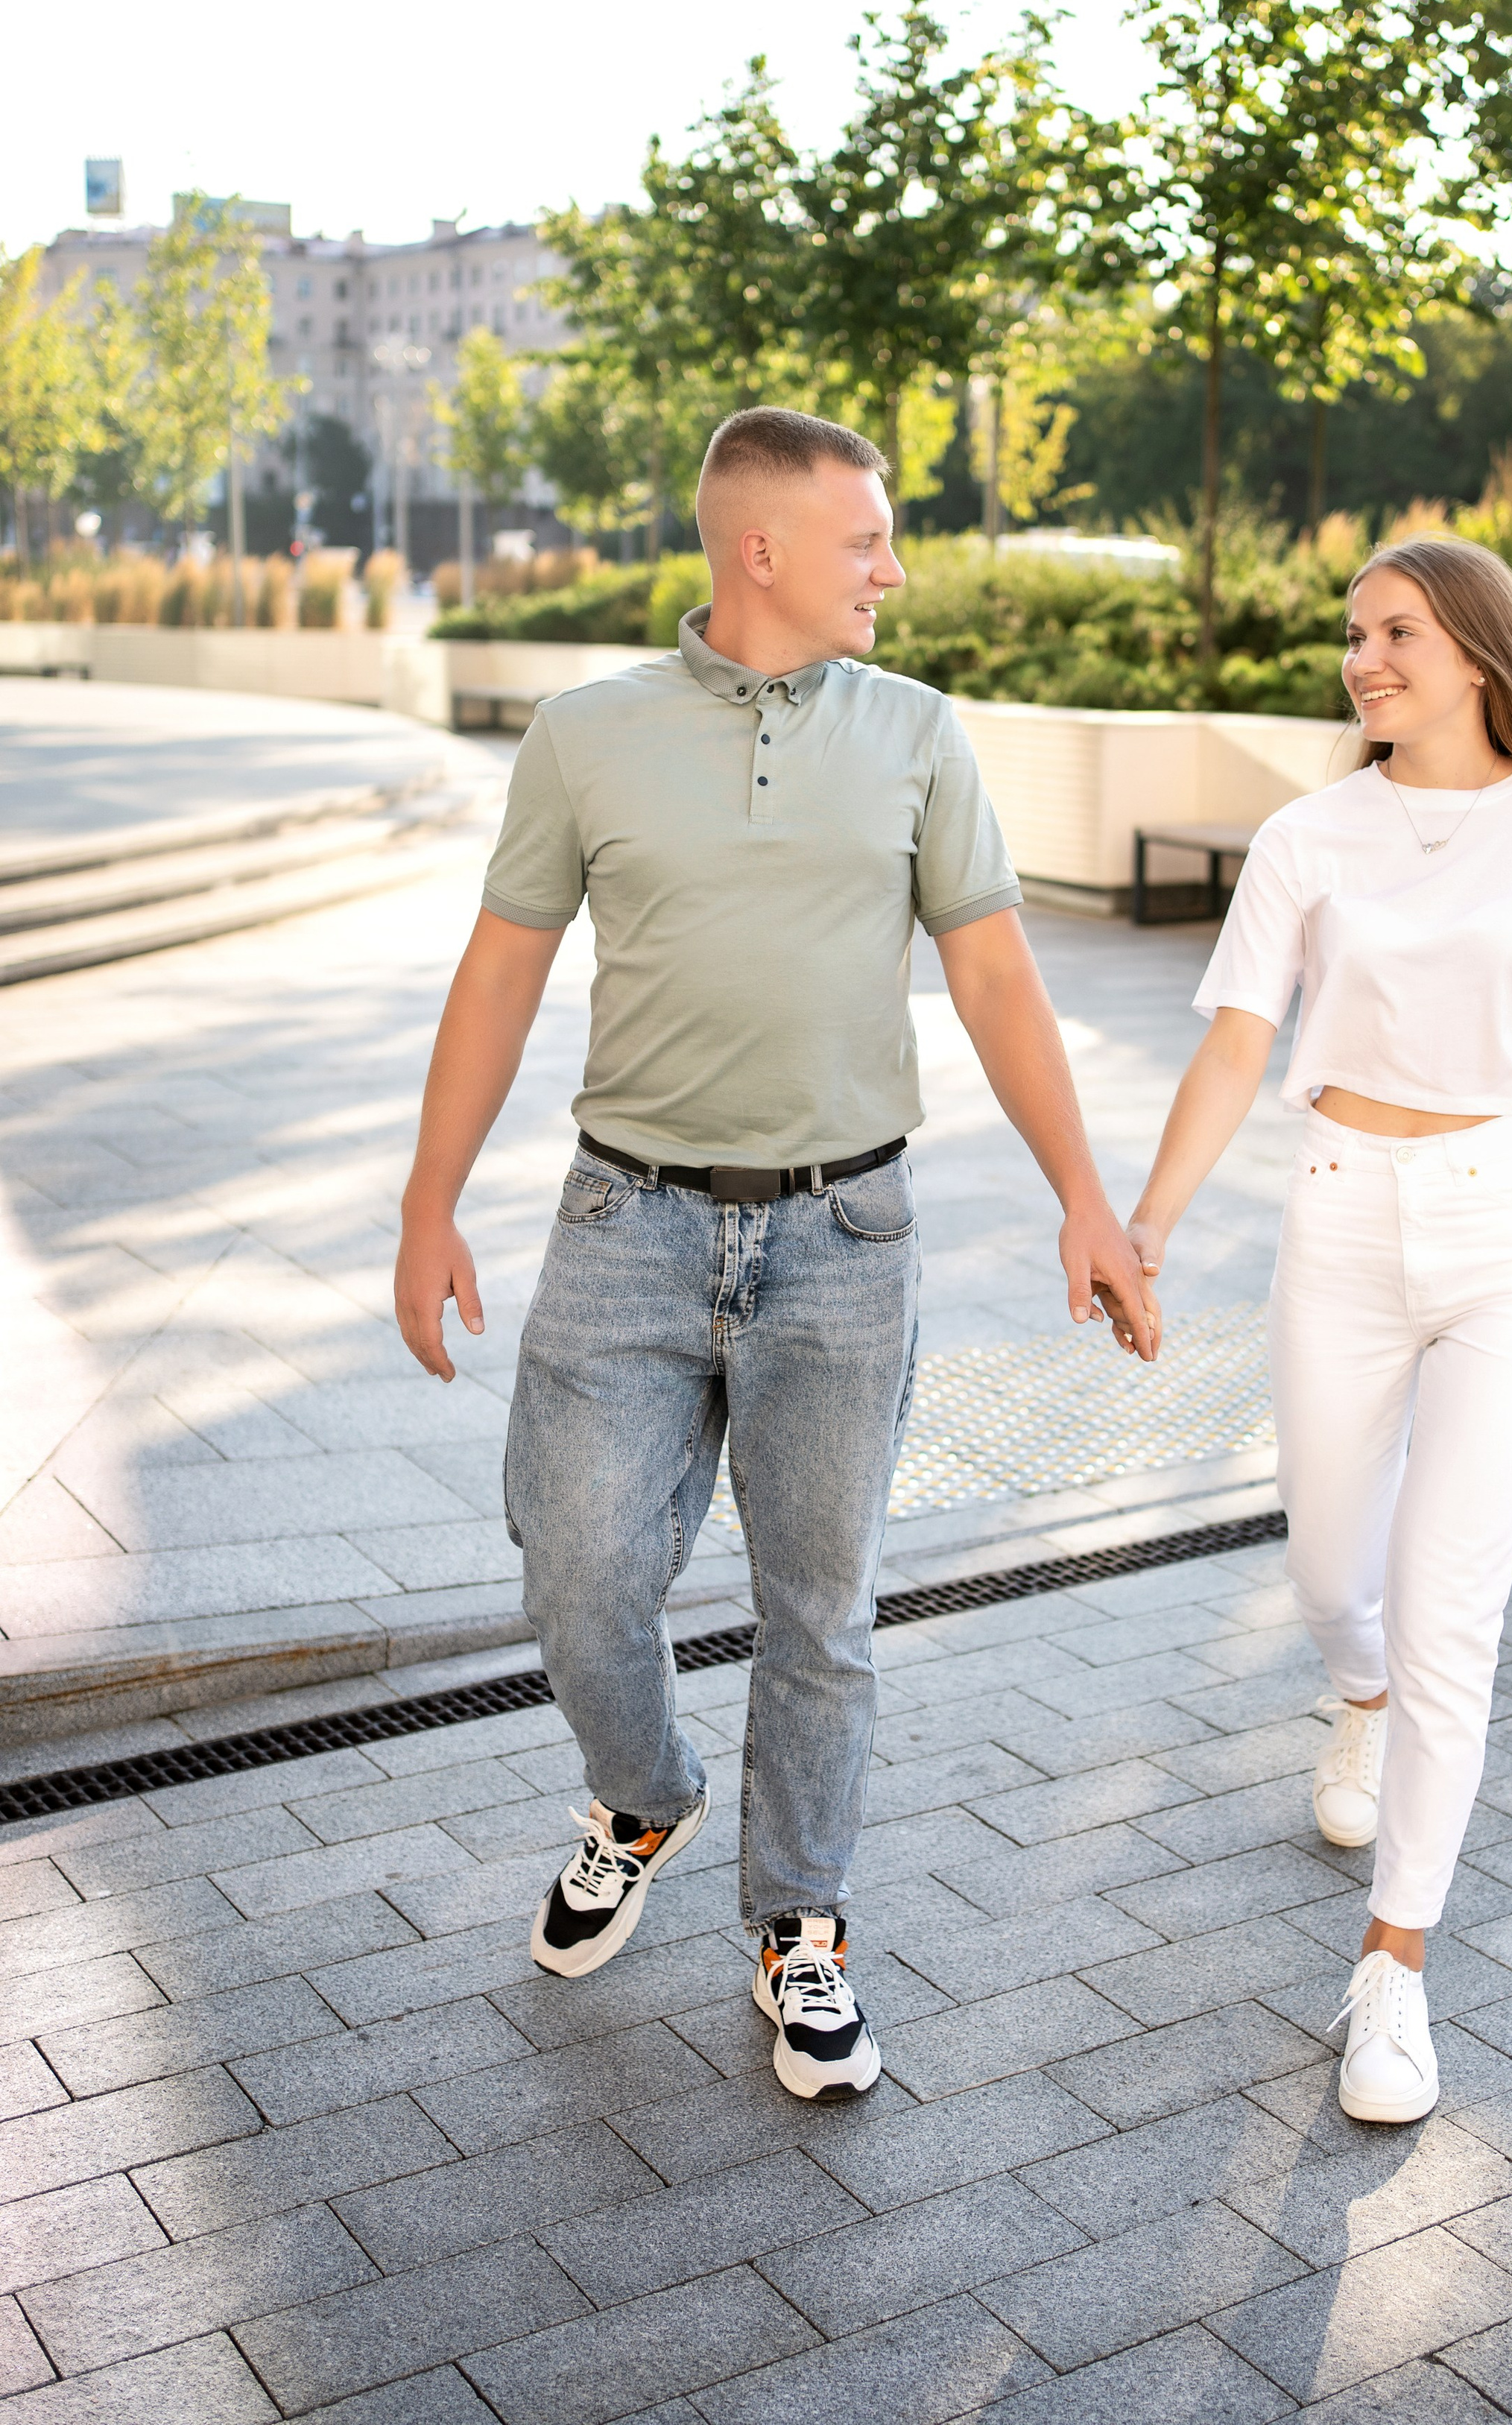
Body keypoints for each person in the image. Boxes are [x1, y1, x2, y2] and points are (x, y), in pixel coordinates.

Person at [393, 405, 1155, 2102]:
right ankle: (645, 1794)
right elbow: (502, 971)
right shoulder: (585, 735)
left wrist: (1084, 1197)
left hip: (846, 1232)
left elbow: (996, 975)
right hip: (626, 1223)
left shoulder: (917, 730)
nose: (893, 568)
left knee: (821, 1611)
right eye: (867, 537)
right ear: (763, 548)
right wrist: (428, 1200)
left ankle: (799, 1922)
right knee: (576, 1565)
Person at [1123, 536, 1512, 2125]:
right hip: (1336, 1219)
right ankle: (1359, 1697)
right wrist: (1151, 1219)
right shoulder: (1310, 836)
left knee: (1450, 1610)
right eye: (1353, 633)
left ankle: (1392, 1967)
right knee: (1334, 1572)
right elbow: (1236, 1042)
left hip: (1505, 1236)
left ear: (1476, 648)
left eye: (1395, 630)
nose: (1363, 658)